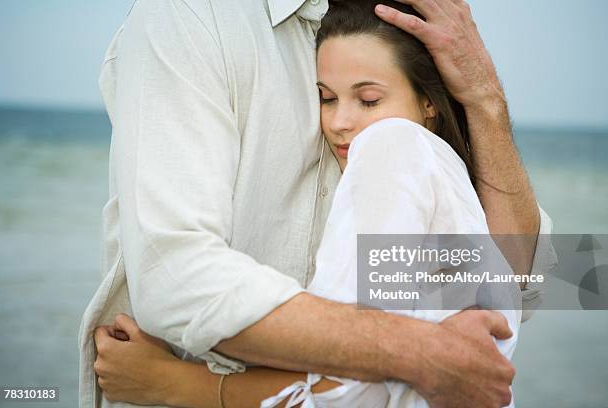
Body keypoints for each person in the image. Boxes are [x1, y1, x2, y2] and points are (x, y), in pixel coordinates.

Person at [81, 0, 556, 407]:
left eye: (368, 99)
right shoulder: (192, 17)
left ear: (428, 102)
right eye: (325, 99)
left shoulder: (395, 136)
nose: (341, 122)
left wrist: (483, 95)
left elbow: (527, 285)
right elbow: (176, 275)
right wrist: (422, 353)